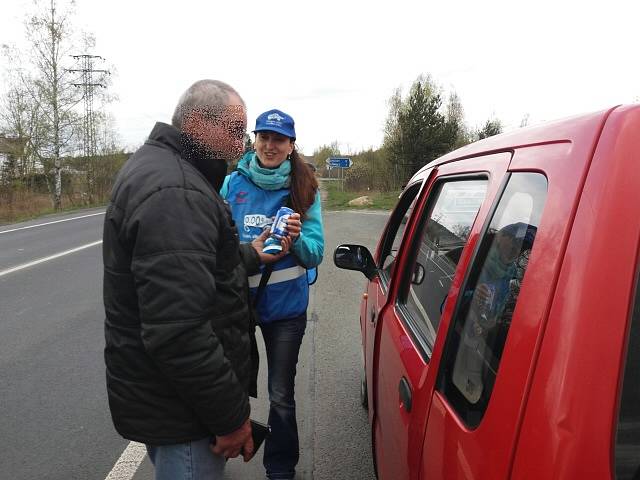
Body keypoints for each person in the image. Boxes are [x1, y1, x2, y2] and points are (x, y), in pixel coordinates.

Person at [103, 80, 287, 480]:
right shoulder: (178, 190)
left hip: (170, 399)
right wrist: (231, 418)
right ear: (201, 123)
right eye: (237, 130)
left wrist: (250, 253)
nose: (243, 144)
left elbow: (195, 265)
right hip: (185, 413)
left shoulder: (166, 170)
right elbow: (180, 331)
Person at [220, 108, 324, 480]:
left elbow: (316, 253)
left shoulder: (304, 188)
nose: (270, 145)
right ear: (254, 140)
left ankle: (280, 469)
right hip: (236, 308)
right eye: (263, 137)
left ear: (291, 145)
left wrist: (296, 239)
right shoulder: (232, 185)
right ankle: (219, 452)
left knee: (280, 394)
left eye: (278, 139)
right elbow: (214, 245)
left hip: (286, 310)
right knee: (226, 387)